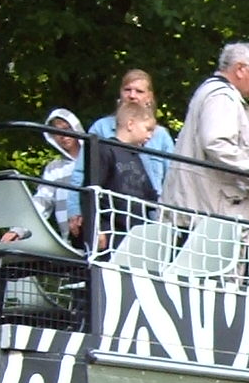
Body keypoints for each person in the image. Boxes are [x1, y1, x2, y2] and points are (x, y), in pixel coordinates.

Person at [167, 42, 249, 219]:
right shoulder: (221, 97)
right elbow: (217, 143)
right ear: (240, 69)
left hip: (204, 208)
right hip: (206, 212)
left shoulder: (218, 94)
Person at [71, 69, 174, 198]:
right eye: (127, 90)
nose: (132, 95)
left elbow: (173, 179)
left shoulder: (161, 136)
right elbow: (81, 171)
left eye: (139, 91)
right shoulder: (101, 128)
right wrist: (74, 209)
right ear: (120, 92)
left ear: (149, 96)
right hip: (109, 210)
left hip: (150, 213)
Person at [80, 101, 161, 248]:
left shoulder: (137, 158)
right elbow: (90, 191)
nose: (150, 135)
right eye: (147, 129)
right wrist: (95, 228)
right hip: (111, 230)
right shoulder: (105, 149)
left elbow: (151, 196)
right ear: (130, 124)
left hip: (135, 233)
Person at [28, 107, 85, 236]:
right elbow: (42, 200)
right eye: (57, 132)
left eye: (67, 129)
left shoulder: (95, 158)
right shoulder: (54, 168)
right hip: (70, 239)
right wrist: (19, 229)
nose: (63, 136)